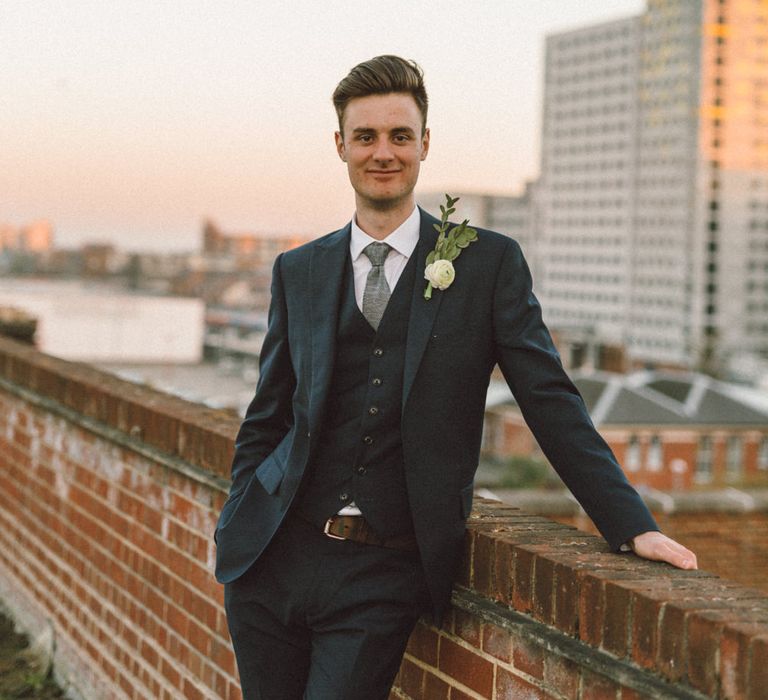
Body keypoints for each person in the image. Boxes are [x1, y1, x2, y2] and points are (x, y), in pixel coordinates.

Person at [214, 55, 697, 699]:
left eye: (399, 136)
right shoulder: (297, 269)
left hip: (382, 570)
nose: (382, 152)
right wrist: (237, 517)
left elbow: (547, 395)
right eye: (365, 137)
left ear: (424, 145)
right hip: (272, 559)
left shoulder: (487, 263)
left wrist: (629, 522)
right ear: (340, 147)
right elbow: (269, 413)